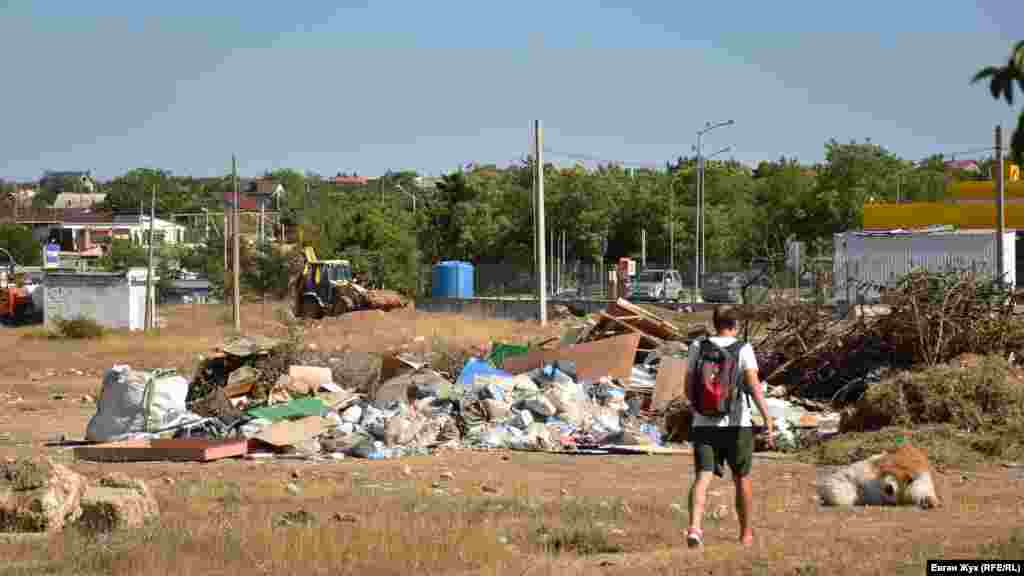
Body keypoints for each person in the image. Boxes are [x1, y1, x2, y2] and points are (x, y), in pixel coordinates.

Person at [685, 304, 774, 548]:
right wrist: (767, 418)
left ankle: (694, 528)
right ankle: (745, 534)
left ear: (715, 323)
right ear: (735, 326)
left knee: (702, 477)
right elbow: (754, 387)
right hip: (737, 426)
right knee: (741, 478)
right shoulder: (743, 348)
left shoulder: (698, 347)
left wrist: (699, 411)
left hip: (703, 424)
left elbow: (687, 386)